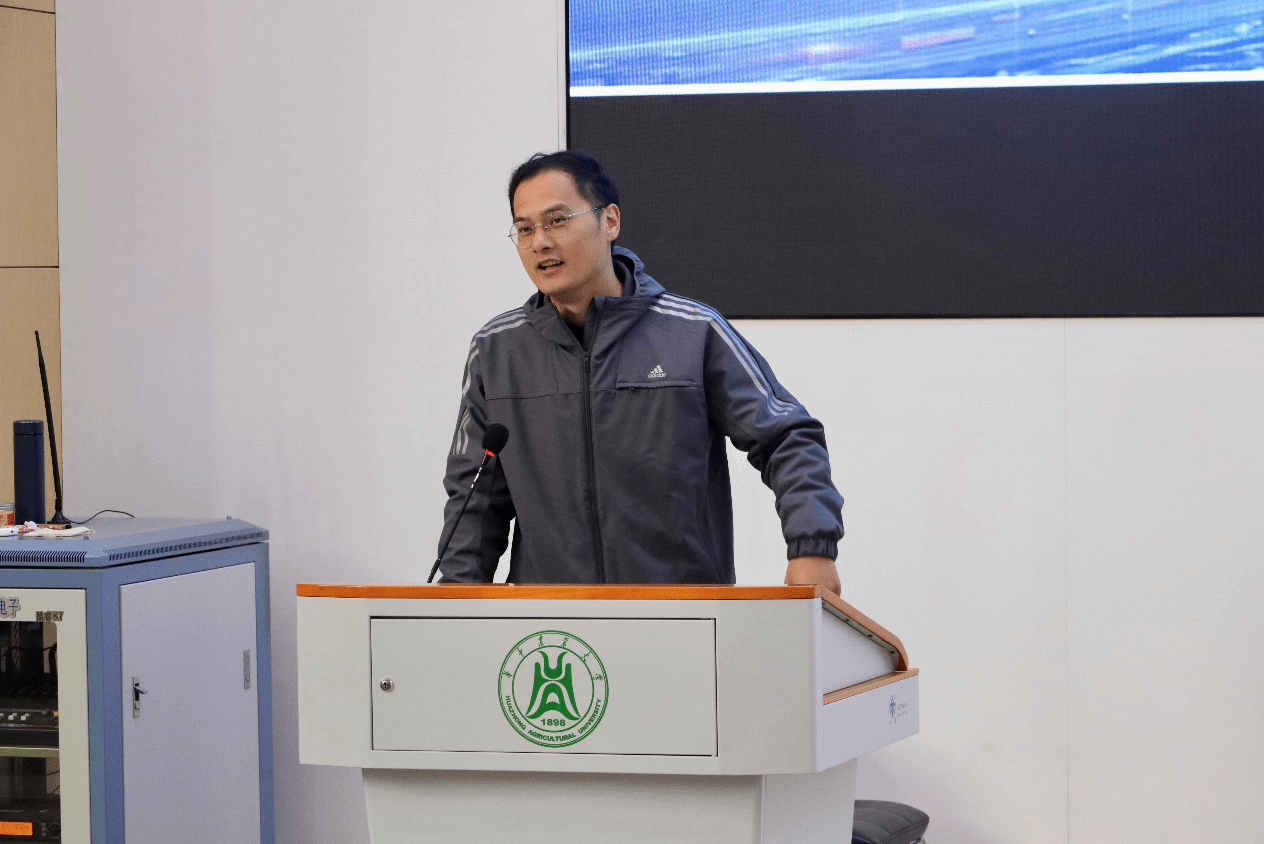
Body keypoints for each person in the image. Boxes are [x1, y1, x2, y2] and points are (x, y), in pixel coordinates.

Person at [436, 151, 844, 593]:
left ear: (610, 221)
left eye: (557, 220)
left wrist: (812, 547)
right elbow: (473, 496)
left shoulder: (692, 332)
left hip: (682, 614)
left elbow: (787, 437)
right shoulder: (496, 350)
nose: (540, 242)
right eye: (525, 228)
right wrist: (456, 599)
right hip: (554, 624)